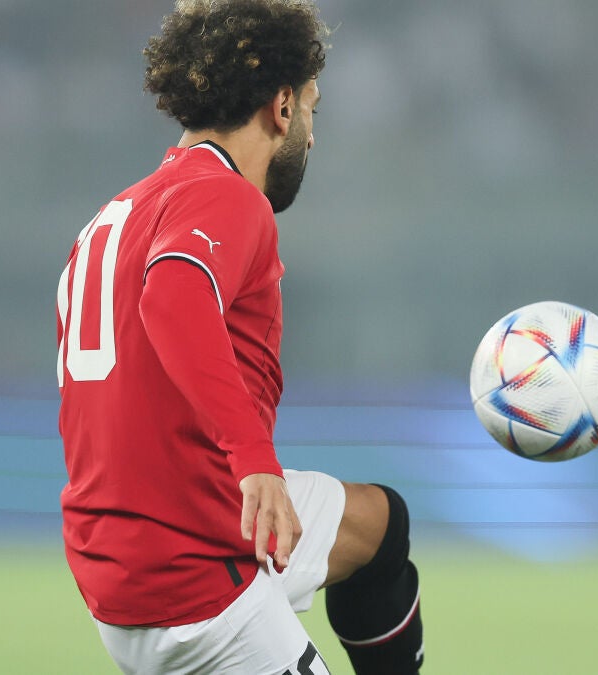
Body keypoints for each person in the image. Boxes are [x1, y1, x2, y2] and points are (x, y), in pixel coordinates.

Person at [54, 1, 423, 672]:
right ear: (281, 107)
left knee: (380, 526)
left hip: (125, 549)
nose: (312, 135)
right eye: (312, 109)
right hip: (195, 583)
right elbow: (173, 298)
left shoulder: (119, 213)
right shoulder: (228, 196)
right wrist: (254, 461)